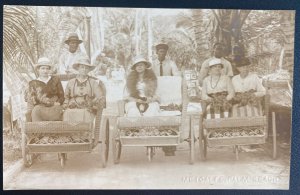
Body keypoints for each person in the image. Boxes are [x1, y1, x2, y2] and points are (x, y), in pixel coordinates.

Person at [63, 55, 105, 122]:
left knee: (86, 113)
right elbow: (66, 97)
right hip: (72, 106)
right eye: (82, 67)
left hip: (87, 107)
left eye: (86, 68)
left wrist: (92, 103)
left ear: (88, 70)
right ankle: (70, 132)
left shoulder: (93, 82)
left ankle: (85, 132)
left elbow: (100, 96)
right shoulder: (71, 82)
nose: (84, 70)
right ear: (78, 68)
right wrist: (66, 105)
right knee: (68, 113)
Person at [26, 57, 64, 121]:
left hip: (55, 108)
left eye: (47, 68)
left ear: (49, 69)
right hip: (40, 109)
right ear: (38, 69)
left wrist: (58, 103)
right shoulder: (33, 83)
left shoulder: (55, 79)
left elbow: (62, 96)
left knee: (59, 113)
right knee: (36, 111)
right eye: (43, 68)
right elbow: (33, 100)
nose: (45, 71)